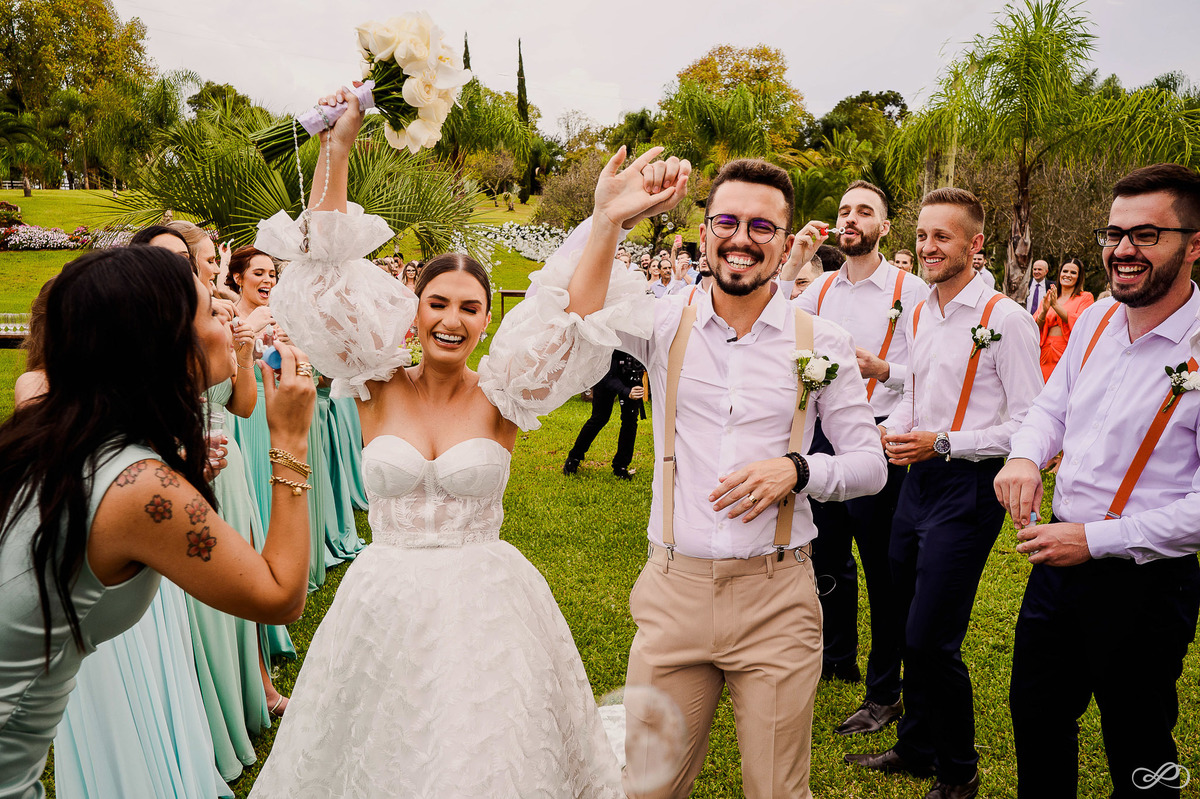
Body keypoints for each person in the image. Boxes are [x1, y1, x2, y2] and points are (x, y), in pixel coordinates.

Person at [246, 87, 682, 798]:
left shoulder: (505, 392)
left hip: (486, 607)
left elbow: (575, 316)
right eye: (438, 303)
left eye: (470, 308)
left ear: (486, 320)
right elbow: (324, 272)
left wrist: (605, 220)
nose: (452, 320)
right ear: (412, 310)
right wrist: (338, 146)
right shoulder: (372, 380)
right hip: (383, 604)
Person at [604, 158, 886, 799]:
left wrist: (798, 469)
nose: (742, 238)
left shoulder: (823, 340)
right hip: (674, 592)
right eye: (727, 222)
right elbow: (575, 303)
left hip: (777, 599)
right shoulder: (661, 323)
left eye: (762, 227)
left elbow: (870, 466)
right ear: (705, 232)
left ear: (786, 244)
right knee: (646, 788)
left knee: (778, 791)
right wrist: (613, 215)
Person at [0, 244, 315, 799]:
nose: (229, 321)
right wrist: (290, 439)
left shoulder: (67, 437)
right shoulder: (136, 486)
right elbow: (280, 595)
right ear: (165, 343)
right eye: (210, 311)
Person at [996, 163, 1200, 797]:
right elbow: (1050, 409)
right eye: (1114, 234)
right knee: (1036, 715)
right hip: (1058, 565)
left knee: (1139, 744)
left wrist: (1094, 540)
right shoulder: (1095, 321)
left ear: (1195, 244)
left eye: (1146, 235)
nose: (1122, 250)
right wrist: (1025, 457)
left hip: (1146, 581)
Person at [846, 187, 1042, 799]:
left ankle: (959, 773)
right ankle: (916, 745)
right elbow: (914, 392)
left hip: (969, 486)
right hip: (917, 480)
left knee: (932, 638)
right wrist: (896, 429)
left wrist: (945, 443)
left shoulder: (1006, 319)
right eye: (922, 235)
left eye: (942, 237)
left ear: (975, 245)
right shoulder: (920, 310)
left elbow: (1030, 424)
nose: (928, 247)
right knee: (904, 616)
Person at [791, 180, 927, 737]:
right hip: (823, 441)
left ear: (885, 227)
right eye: (845, 210)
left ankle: (884, 690)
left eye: (864, 211)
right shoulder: (820, 288)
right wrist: (794, 259)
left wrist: (883, 370)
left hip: (883, 439)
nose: (851, 218)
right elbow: (769, 319)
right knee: (826, 554)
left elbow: (932, 373)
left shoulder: (912, 291)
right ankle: (836, 656)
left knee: (883, 569)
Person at [563, 351, 647, 480]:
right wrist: (625, 391)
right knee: (599, 418)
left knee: (630, 420)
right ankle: (574, 457)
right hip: (606, 372)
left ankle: (621, 466)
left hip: (631, 373)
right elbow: (605, 375)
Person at [1034, 257, 1094, 381]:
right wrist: (1044, 311)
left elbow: (1081, 322)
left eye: (1073, 272)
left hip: (1068, 351)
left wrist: (1055, 306)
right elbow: (1035, 327)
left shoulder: (1085, 297)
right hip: (1046, 351)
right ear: (1060, 273)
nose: (1068, 275)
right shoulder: (1050, 296)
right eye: (1065, 271)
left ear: (1079, 277)